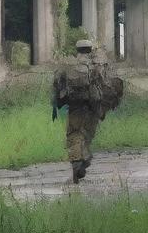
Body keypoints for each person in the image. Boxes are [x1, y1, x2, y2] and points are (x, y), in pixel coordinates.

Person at [52, 39, 122, 184]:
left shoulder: (68, 65)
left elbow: (57, 84)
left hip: (75, 107)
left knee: (74, 134)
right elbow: (105, 85)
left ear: (77, 50)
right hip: (92, 106)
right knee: (88, 135)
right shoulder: (96, 66)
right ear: (90, 49)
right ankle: (84, 159)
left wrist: (57, 103)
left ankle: (77, 162)